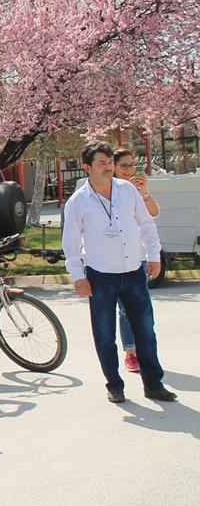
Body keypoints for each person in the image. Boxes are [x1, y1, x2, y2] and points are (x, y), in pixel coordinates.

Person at [62, 141, 176, 404]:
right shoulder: (78, 201)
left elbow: (146, 224)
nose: (108, 167)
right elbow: (70, 242)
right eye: (101, 163)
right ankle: (114, 385)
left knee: (145, 331)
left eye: (110, 162)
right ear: (87, 167)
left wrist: (154, 255)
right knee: (104, 335)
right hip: (100, 276)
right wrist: (78, 276)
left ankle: (153, 384)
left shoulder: (127, 190)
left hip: (133, 271)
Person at [112, 147, 160, 373]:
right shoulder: (109, 191)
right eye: (124, 166)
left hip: (138, 257)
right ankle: (130, 352)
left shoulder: (135, 190)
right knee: (124, 309)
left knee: (142, 309)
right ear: (113, 167)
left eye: (132, 165)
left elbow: (153, 213)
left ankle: (144, 352)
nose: (129, 170)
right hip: (115, 260)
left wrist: (144, 192)